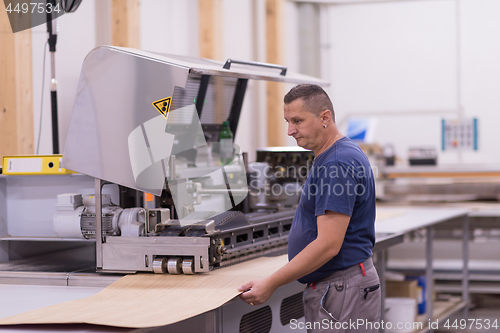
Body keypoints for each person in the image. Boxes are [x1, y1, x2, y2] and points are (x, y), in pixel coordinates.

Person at [238, 84, 381, 332]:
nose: (290, 130)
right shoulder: (333, 154)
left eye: (298, 121)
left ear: (324, 117)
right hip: (340, 286)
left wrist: (271, 283)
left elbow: (328, 244)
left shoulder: (337, 162)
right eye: (287, 121)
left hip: (342, 289)